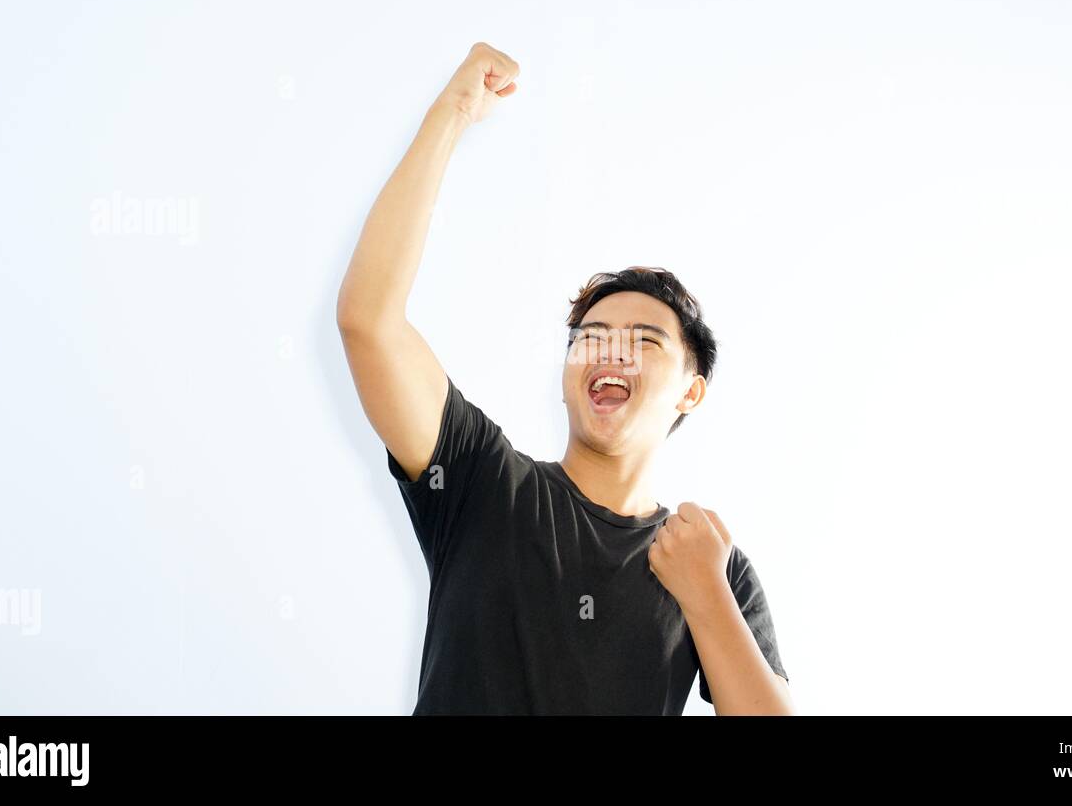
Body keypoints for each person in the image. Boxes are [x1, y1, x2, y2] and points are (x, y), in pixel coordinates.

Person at [336, 42, 792, 715]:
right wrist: (453, 112)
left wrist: (706, 593)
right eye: (592, 339)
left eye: (644, 341)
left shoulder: (716, 567)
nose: (611, 353)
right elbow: (369, 321)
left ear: (692, 390)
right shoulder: (482, 483)